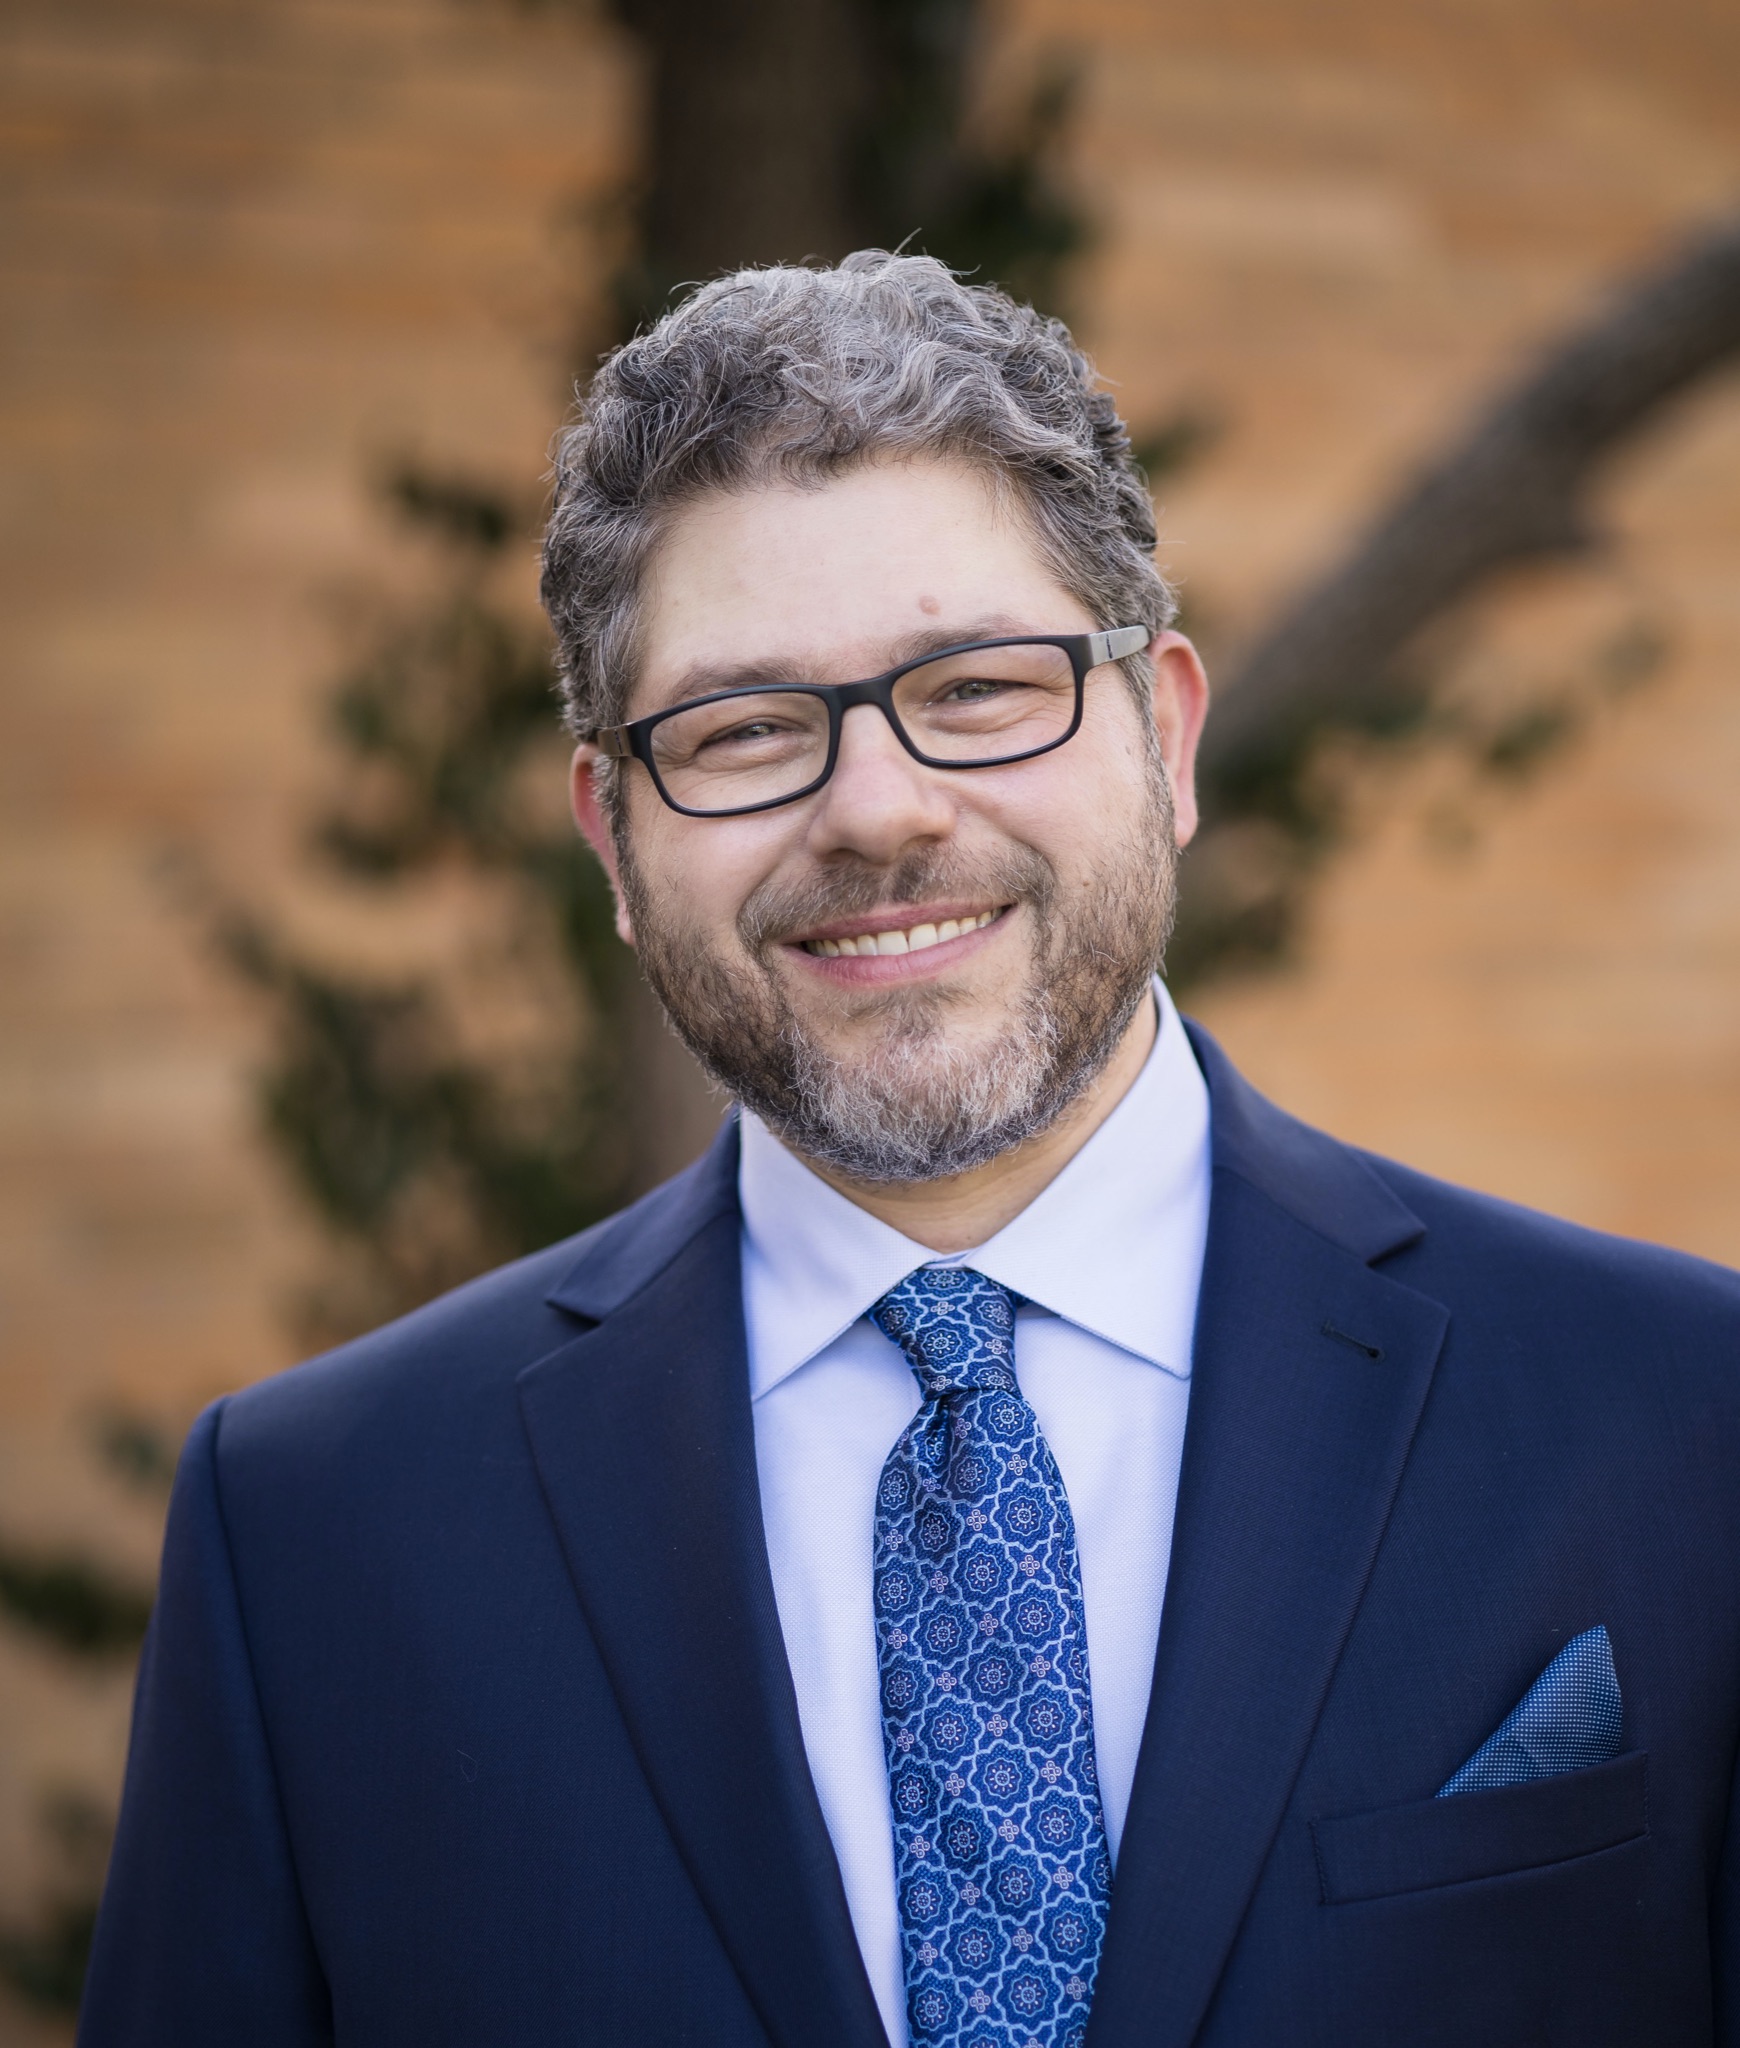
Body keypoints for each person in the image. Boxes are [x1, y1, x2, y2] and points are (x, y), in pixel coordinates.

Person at [81, 252, 1740, 2048]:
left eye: (977, 689)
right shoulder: (317, 1528)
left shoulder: (1680, 1421)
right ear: (616, 843)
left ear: (1164, 736)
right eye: (741, 730)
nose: (877, 806)